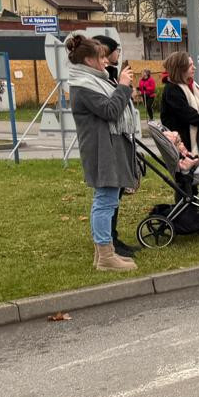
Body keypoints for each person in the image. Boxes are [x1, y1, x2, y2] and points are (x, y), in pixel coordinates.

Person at [65, 34, 141, 272]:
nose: (106, 61)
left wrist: (123, 90)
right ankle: (106, 255)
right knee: (105, 201)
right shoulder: (84, 85)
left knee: (107, 199)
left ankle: (103, 255)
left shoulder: (93, 81)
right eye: (101, 57)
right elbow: (110, 111)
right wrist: (123, 87)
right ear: (88, 60)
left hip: (108, 145)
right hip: (101, 149)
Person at [158, 51, 199, 152]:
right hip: (183, 143)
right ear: (180, 69)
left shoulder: (189, 85)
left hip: (189, 139)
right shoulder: (172, 90)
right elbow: (189, 115)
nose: (194, 68)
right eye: (190, 65)